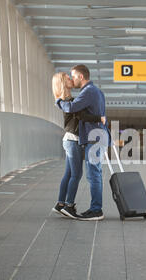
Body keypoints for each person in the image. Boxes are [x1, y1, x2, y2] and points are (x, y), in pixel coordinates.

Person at [55, 65, 108, 221]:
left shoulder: (88, 91)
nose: (72, 79)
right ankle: (89, 208)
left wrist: (58, 101)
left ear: (80, 77)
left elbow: (72, 108)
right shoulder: (95, 91)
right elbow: (83, 114)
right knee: (91, 174)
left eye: (73, 76)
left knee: (94, 175)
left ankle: (96, 210)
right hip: (94, 136)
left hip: (94, 138)